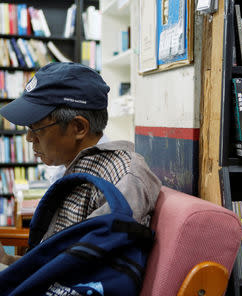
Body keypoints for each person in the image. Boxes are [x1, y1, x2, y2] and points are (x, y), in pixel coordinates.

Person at [0, 62, 161, 266]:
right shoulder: (70, 168)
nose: (29, 138)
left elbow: (82, 279)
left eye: (36, 128)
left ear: (78, 127)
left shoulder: (119, 181)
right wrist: (8, 261)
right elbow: (55, 267)